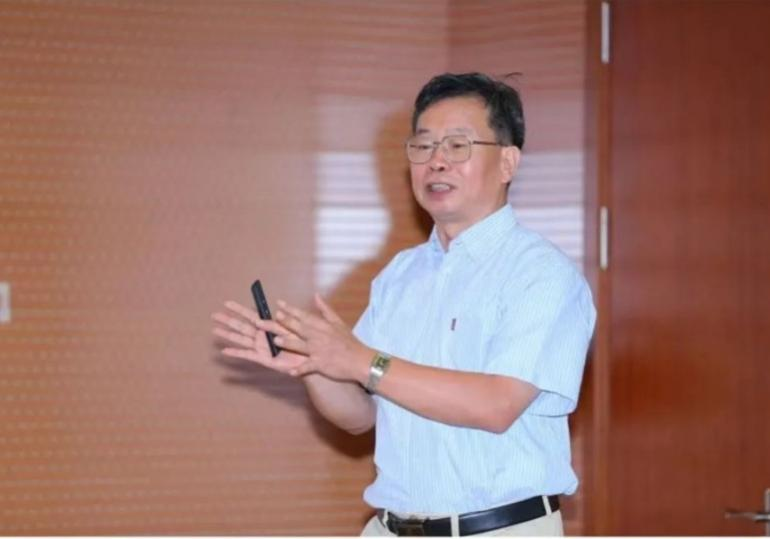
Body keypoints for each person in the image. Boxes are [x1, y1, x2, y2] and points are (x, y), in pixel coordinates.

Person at [212, 72, 596, 536]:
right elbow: (362, 415)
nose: (436, 162)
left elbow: (496, 405)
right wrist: (312, 363)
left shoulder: (542, 274)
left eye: (457, 146)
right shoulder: (399, 275)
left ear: (508, 162)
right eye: (423, 146)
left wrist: (361, 360)